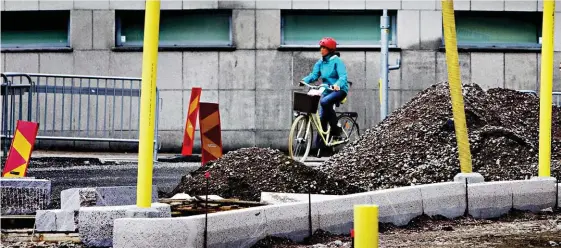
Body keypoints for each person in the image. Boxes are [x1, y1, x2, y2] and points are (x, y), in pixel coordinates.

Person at [299, 37, 349, 156]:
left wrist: (337, 85)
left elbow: (343, 77)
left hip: (339, 90)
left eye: (324, 48)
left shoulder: (337, 61)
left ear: (330, 50)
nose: (321, 50)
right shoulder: (320, 62)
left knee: (325, 102)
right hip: (327, 90)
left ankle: (336, 129)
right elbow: (314, 75)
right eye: (321, 47)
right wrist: (304, 80)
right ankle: (320, 149)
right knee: (321, 119)